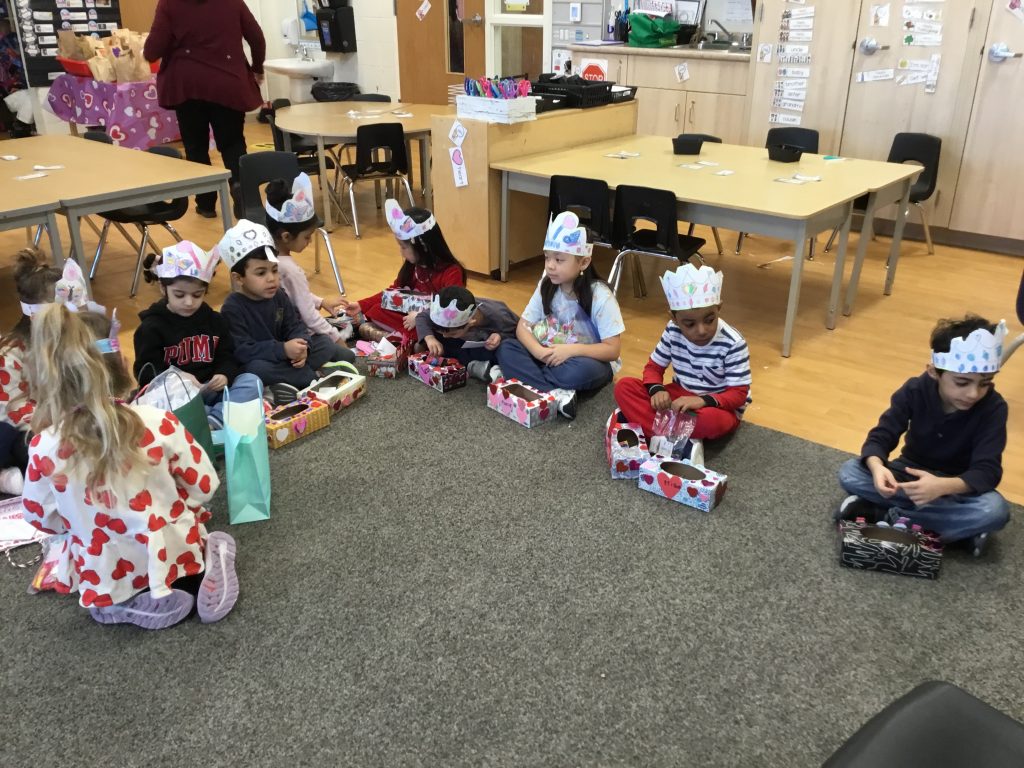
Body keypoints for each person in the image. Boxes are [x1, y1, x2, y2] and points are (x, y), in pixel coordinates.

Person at [22, 303, 238, 629]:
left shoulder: (43, 448)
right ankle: (210, 559)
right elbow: (204, 485)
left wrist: (83, 519)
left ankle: (122, 605)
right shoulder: (157, 421)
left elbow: (41, 517)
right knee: (184, 545)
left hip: (109, 571)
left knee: (101, 582)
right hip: (175, 553)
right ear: (122, 365)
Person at [836, 315, 1012, 557]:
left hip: (956, 484)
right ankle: (954, 530)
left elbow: (987, 471)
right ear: (933, 372)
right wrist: (877, 468)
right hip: (909, 471)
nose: (973, 394)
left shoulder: (994, 407)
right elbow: (882, 435)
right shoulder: (914, 389)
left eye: (985, 383)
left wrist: (941, 486)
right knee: (849, 472)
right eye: (962, 382)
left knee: (994, 510)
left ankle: (885, 515)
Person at [613, 264, 751, 466]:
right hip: (679, 397)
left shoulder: (733, 343)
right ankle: (678, 441)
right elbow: (653, 368)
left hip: (716, 406)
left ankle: (644, 429)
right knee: (624, 387)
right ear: (674, 318)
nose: (701, 330)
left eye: (709, 320)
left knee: (711, 422)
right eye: (690, 324)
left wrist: (702, 401)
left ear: (719, 308)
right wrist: (656, 389)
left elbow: (738, 395)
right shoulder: (672, 330)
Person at [494, 211, 624, 420]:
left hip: (585, 359)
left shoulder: (600, 296)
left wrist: (570, 351)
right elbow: (523, 327)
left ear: (583, 263)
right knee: (507, 346)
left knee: (575, 373)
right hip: (548, 353)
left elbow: (612, 350)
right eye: (547, 257)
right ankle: (555, 393)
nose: (550, 265)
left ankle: (527, 379)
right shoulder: (547, 285)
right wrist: (538, 352)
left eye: (559, 259)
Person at [143, 0, 266, 219]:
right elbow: (256, 37)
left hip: (187, 85)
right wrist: (257, 68)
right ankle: (241, 191)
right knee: (233, 143)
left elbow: (152, 50)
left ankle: (206, 203)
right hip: (227, 82)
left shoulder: (169, 4)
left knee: (195, 146)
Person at [217, 220, 352, 402]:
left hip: (287, 357)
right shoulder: (233, 307)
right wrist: (282, 350)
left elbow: (295, 325)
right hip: (264, 360)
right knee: (254, 370)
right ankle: (310, 377)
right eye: (261, 273)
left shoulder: (278, 294)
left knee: (325, 343)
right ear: (238, 278)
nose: (271, 279)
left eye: (274, 270)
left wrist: (303, 346)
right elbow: (242, 351)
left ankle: (292, 382)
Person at [133, 241, 263, 428]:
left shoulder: (214, 321)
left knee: (252, 381)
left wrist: (224, 374)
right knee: (161, 409)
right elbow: (146, 375)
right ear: (163, 288)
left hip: (211, 388)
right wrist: (178, 378)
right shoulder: (151, 328)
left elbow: (227, 356)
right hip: (178, 396)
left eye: (197, 295)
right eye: (179, 295)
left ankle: (213, 419)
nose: (189, 302)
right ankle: (218, 416)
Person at [337, 200, 466, 343]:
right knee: (376, 309)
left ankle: (404, 340)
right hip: (408, 319)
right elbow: (393, 293)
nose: (401, 252)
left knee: (431, 332)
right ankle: (401, 339)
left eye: (404, 247)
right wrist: (361, 305)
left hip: (433, 325)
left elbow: (452, 311)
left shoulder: (451, 272)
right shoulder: (413, 266)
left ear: (423, 247)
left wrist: (421, 317)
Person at [263, 174, 351, 347]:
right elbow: (310, 317)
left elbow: (294, 294)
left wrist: (321, 302)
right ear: (286, 236)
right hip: (297, 336)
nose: (310, 241)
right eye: (307, 237)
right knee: (340, 350)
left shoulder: (265, 258)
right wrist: (338, 340)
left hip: (275, 334)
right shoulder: (290, 270)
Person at [0, 248, 61, 494]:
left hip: (58, 421)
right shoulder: (12, 354)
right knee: (38, 454)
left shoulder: (65, 341)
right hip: (21, 430)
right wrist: (54, 425)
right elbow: (12, 410)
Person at [415, 286, 519, 382]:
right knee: (435, 336)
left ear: (471, 323)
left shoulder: (499, 315)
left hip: (486, 346)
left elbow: (518, 335)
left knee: (503, 350)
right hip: (465, 343)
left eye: (453, 333)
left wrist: (500, 336)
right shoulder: (444, 311)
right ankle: (472, 365)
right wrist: (429, 338)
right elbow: (422, 317)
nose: (445, 336)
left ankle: (477, 365)